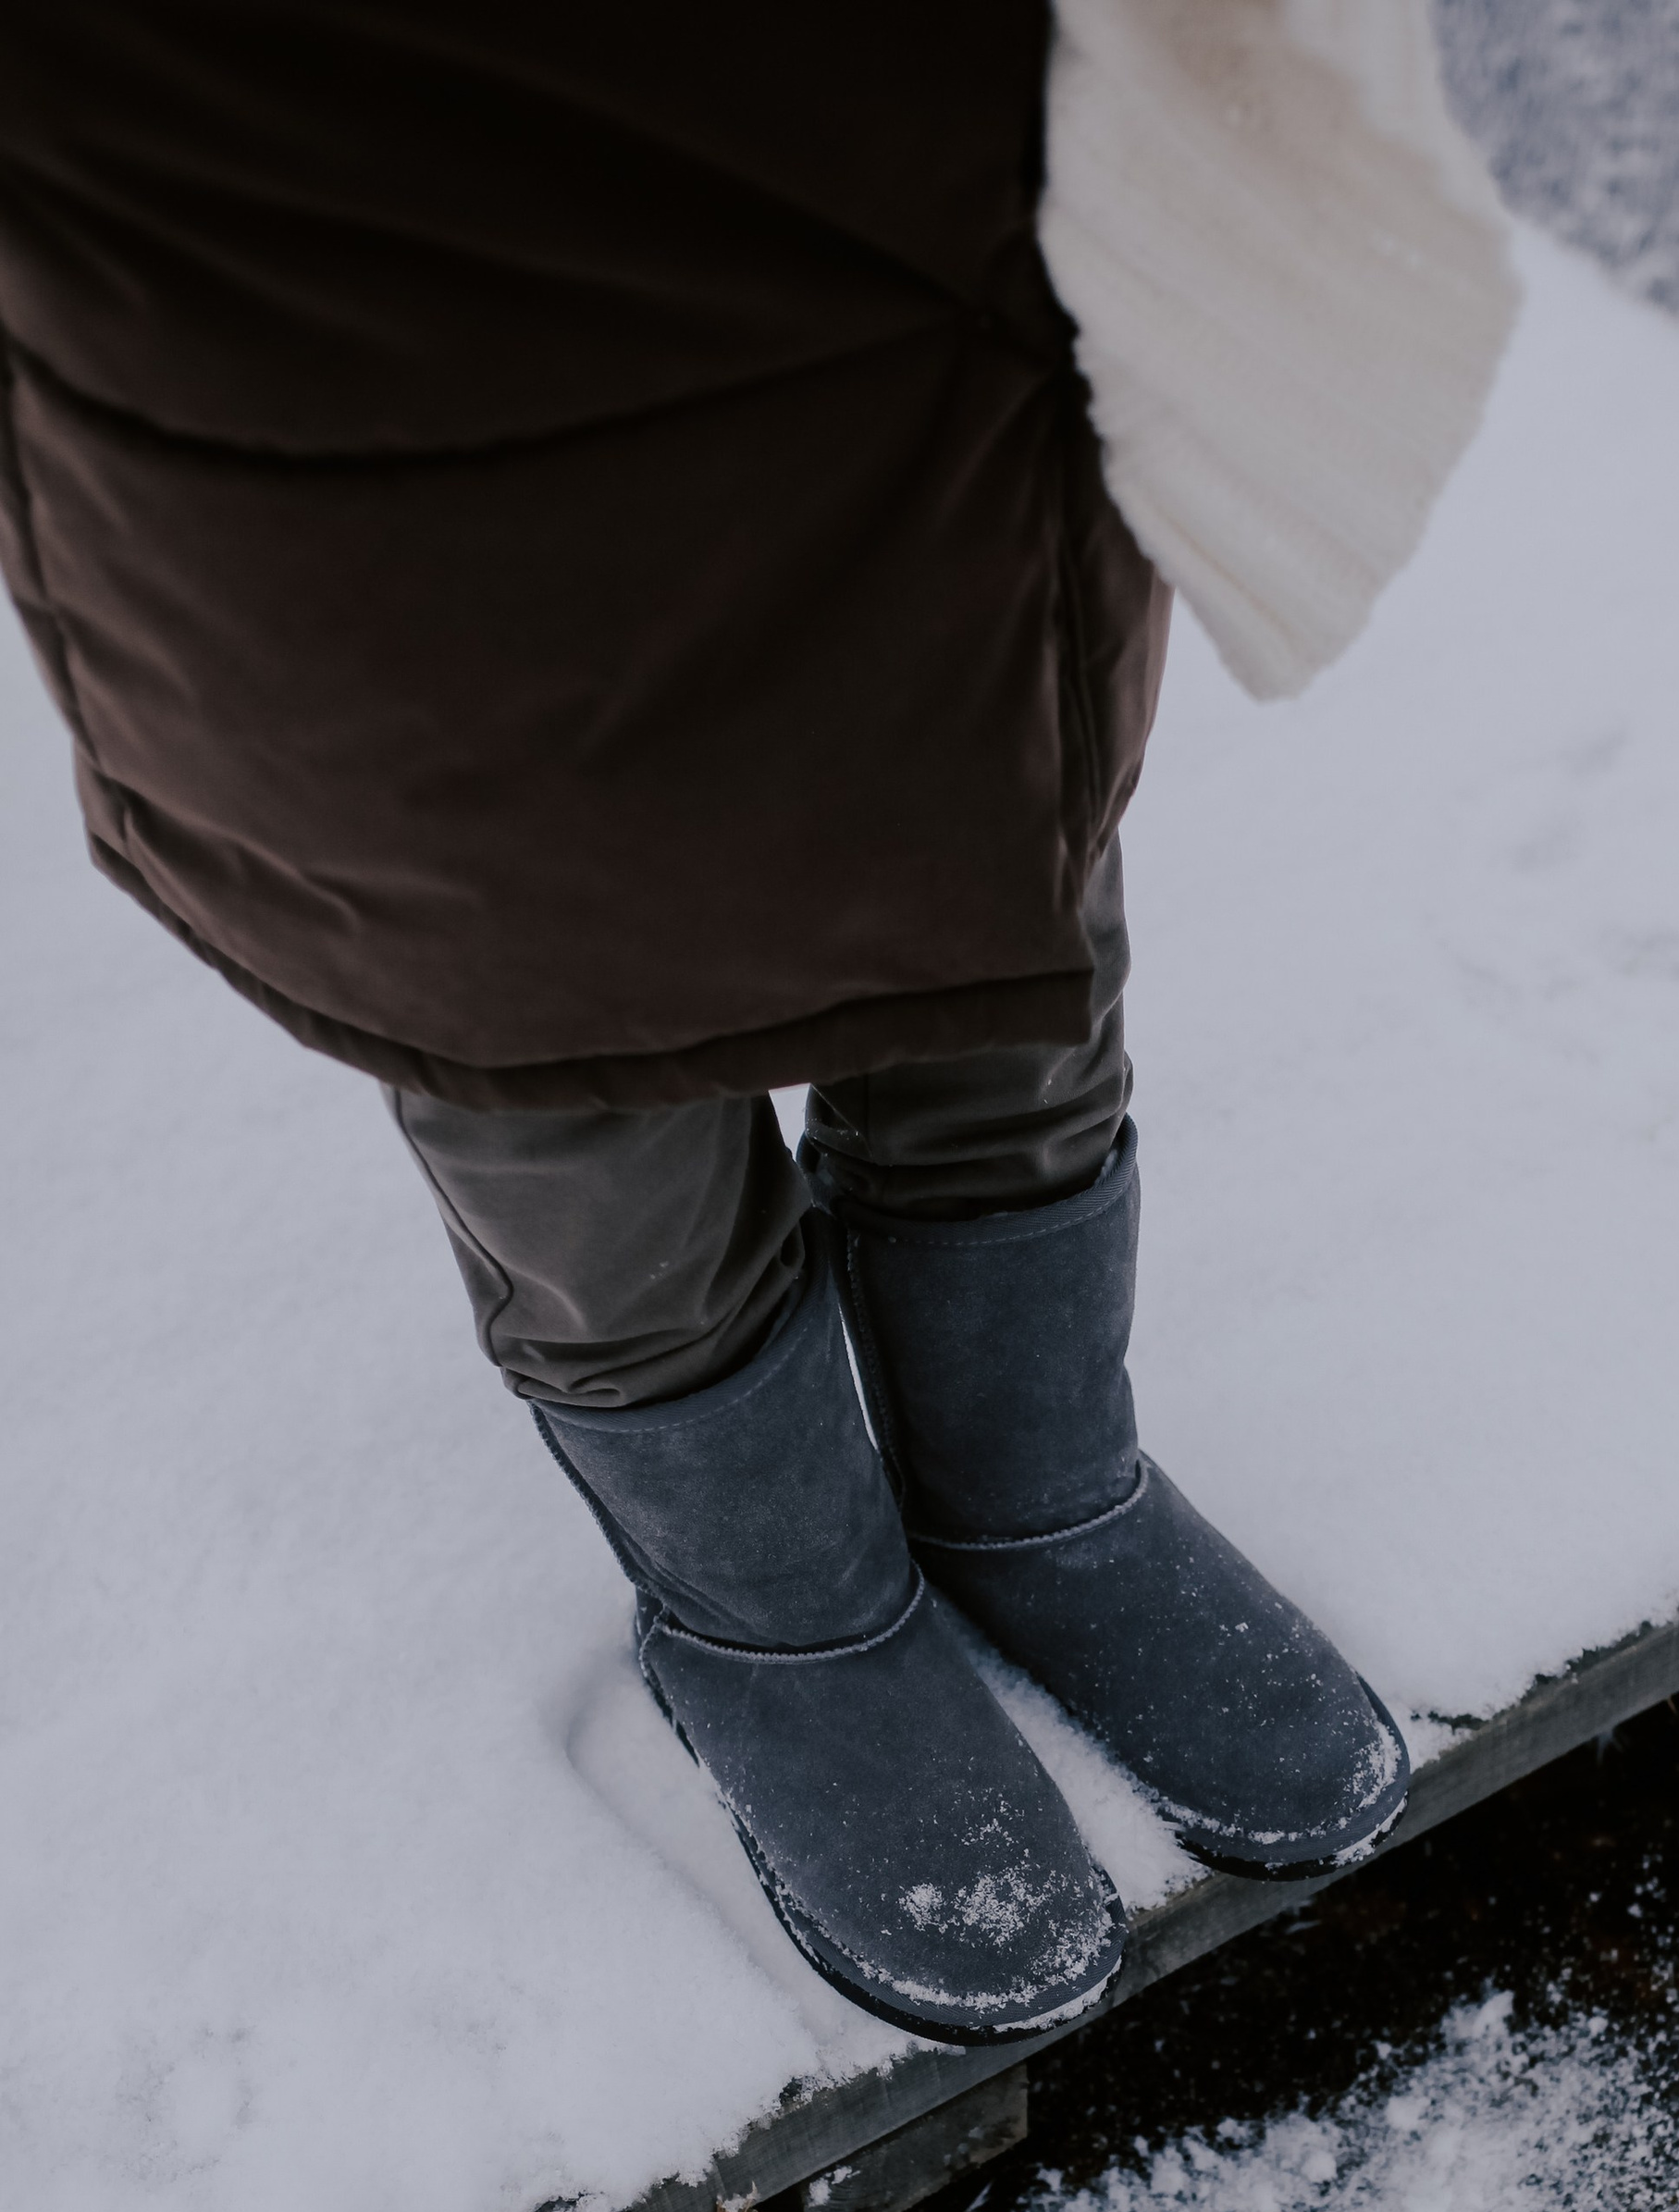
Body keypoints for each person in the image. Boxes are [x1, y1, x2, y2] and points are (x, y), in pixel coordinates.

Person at [0, 1, 1513, 2045]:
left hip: (864, 188)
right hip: (278, 259)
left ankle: (1030, 1484)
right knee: (506, 972)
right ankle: (779, 1616)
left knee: (973, 839)